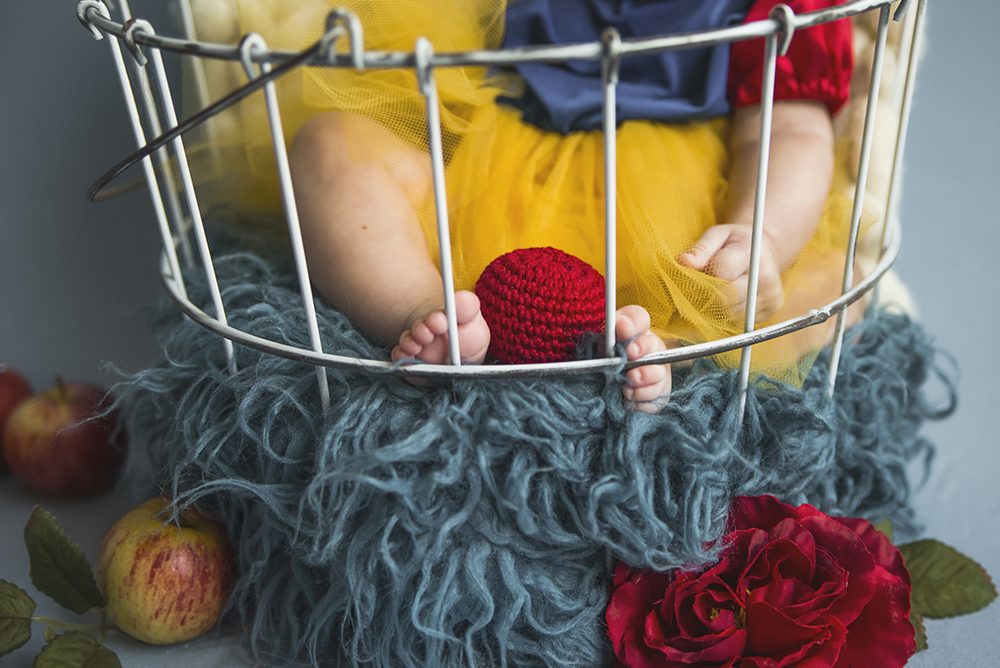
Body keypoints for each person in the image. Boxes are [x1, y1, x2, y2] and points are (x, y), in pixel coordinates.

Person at [193, 0, 858, 410]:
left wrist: (762, 233)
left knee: (820, 279)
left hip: (673, 226)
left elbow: (791, 129)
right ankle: (425, 311)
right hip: (489, 174)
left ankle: (665, 349)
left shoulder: (775, 6)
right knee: (331, 145)